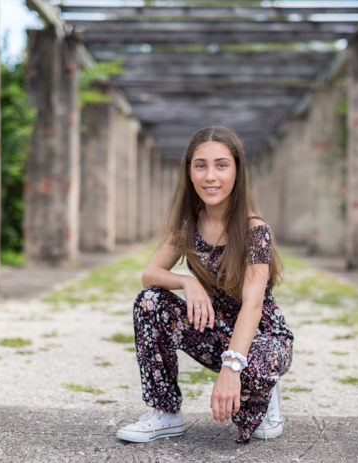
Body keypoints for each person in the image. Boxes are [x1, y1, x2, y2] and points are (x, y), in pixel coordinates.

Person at [116, 126, 294, 445]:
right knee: (150, 301)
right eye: (201, 165)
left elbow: (253, 305)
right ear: (189, 172)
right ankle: (165, 412)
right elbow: (150, 274)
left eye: (221, 165)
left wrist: (232, 366)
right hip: (214, 331)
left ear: (237, 171)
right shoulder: (189, 224)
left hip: (261, 338)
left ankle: (266, 389)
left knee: (256, 400)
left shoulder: (256, 230)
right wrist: (186, 281)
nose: (210, 176)